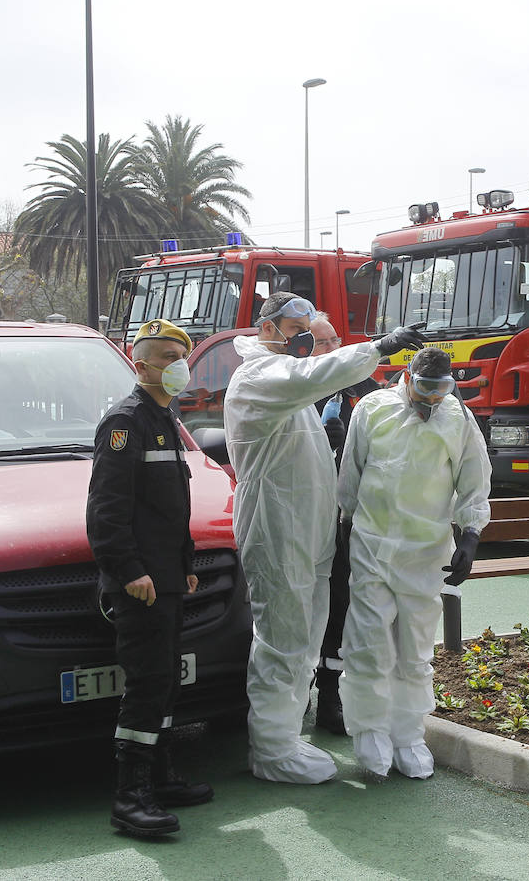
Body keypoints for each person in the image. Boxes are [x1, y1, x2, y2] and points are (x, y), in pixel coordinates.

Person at [224, 292, 425, 784]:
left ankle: (286, 737)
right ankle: (272, 749)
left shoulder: (281, 381)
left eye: (310, 329)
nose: (305, 339)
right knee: (283, 639)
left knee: (305, 635)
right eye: (296, 328)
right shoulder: (257, 376)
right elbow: (310, 375)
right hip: (277, 525)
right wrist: (380, 346)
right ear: (267, 328)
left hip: (304, 527)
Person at [337, 347, 492, 780]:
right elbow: (352, 470)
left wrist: (471, 534)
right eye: (425, 387)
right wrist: (347, 521)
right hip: (372, 545)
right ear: (407, 378)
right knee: (369, 643)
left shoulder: (458, 418)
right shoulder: (372, 409)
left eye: (441, 389)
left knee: (416, 648)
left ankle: (407, 735)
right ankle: (370, 731)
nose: (432, 398)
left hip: (425, 552)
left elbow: (473, 478)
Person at [87, 318, 212, 838]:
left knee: (164, 679)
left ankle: (160, 774)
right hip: (140, 582)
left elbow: (171, 508)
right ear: (139, 365)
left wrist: (184, 567)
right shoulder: (126, 422)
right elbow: (106, 512)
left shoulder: (164, 417)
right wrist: (130, 570)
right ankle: (130, 796)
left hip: (166, 578)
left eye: (179, 355)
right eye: (164, 357)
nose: (176, 365)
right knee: (146, 682)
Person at [309, 312, 379, 736]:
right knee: (303, 610)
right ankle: (295, 693)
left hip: (350, 523)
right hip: (304, 518)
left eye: (334, 339)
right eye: (320, 343)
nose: (332, 349)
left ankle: (331, 698)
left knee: (341, 609)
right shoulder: (294, 389)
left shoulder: (363, 389)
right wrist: (320, 440)